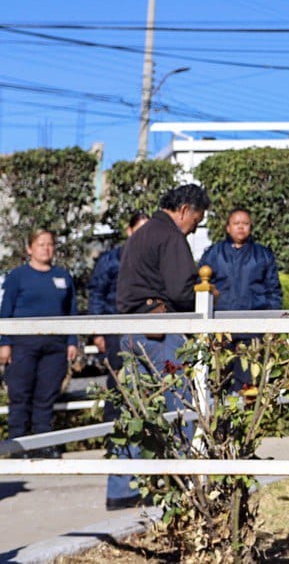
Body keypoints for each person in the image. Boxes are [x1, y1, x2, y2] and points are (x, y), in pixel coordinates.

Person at [113, 183, 211, 510]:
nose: (196, 226)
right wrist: (208, 294)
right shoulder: (170, 236)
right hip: (159, 330)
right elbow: (182, 289)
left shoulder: (141, 234)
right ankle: (181, 483)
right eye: (197, 218)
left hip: (130, 329)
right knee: (178, 403)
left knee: (135, 409)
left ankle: (123, 489)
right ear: (185, 210)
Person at [0, 230, 79, 458]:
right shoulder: (17, 276)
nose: (46, 248)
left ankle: (44, 443)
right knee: (20, 396)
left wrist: (72, 341)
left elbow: (71, 312)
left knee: (46, 397)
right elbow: (6, 311)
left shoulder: (63, 277)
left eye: (50, 244)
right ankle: (18, 446)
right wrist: (4, 342)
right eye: (41, 244)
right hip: (22, 345)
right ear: (29, 249)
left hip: (55, 346)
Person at [88, 210, 148, 506]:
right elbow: (97, 294)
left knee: (149, 404)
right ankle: (120, 485)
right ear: (128, 230)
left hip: (148, 336)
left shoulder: (154, 258)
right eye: (139, 229)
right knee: (119, 402)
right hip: (115, 334)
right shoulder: (111, 259)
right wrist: (98, 329)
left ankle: (145, 482)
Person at [198, 207, 283, 389]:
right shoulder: (213, 254)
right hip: (221, 330)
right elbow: (201, 286)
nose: (241, 228)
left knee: (250, 384)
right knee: (219, 383)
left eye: (245, 224)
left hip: (252, 329)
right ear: (228, 227)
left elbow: (273, 291)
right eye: (236, 224)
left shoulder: (263, 255)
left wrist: (272, 324)